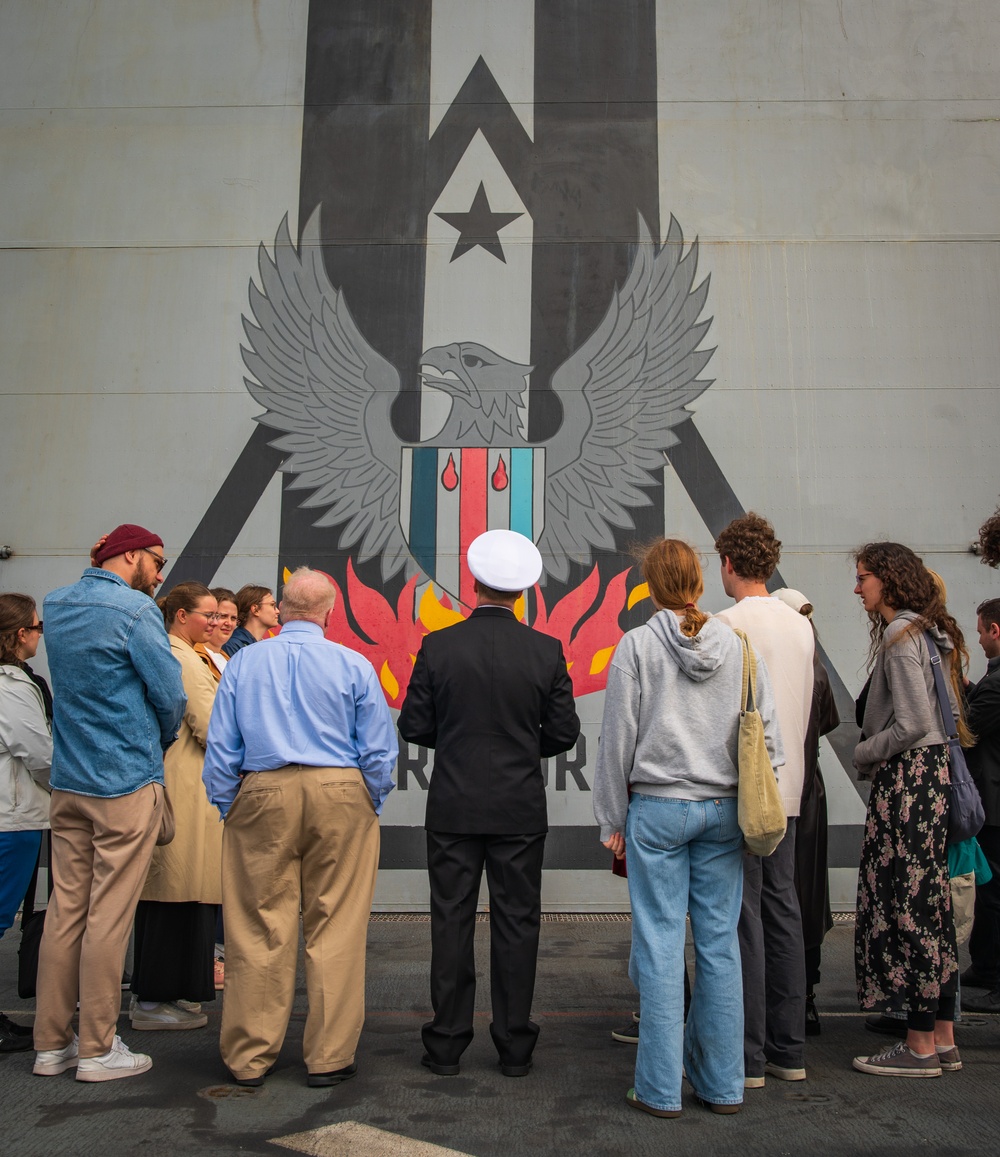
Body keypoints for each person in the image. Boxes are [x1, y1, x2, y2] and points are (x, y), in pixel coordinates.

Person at [594, 539, 782, 1117]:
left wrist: (612, 818)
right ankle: (723, 1085)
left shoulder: (637, 645)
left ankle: (657, 1088)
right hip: (724, 810)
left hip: (657, 809)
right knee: (720, 945)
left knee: (659, 944)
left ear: (651, 586)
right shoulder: (740, 645)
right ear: (700, 581)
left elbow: (616, 742)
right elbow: (766, 737)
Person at [203, 568, 397, 1088]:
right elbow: (379, 751)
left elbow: (222, 748)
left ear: (283, 610)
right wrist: (366, 799)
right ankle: (329, 1057)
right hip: (340, 791)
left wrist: (231, 805)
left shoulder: (244, 662)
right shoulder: (353, 663)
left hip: (263, 790)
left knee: (257, 928)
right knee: (337, 925)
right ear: (330, 614)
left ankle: (249, 1057)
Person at [398, 529, 580, 1078]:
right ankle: (514, 1046)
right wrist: (526, 746)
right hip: (519, 809)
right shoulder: (546, 651)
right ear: (522, 593)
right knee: (517, 925)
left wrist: (455, 743)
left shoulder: (439, 645)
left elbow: (413, 724)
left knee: (450, 923)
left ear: (472, 585)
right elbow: (565, 732)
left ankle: (447, 1045)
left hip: (453, 805)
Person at [32, 524, 185, 1083]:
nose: (162, 573)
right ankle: (98, 1049)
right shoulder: (135, 611)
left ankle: (52, 1045)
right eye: (157, 560)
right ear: (130, 556)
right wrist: (160, 740)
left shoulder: (58, 603)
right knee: (109, 918)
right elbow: (170, 695)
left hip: (70, 779)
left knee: (65, 914)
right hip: (124, 779)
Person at [851, 542, 967, 1077]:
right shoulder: (929, 630)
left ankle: (918, 1044)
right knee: (931, 905)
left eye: (864, 578)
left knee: (908, 907)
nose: (858, 589)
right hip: (934, 782)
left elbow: (913, 723)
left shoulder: (900, 636)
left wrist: (864, 751)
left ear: (888, 581)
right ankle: (942, 1035)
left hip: (908, 784)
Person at [713, 513, 814, 1086]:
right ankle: (788, 1050)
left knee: (742, 918)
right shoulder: (801, 625)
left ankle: (746, 1057)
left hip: (744, 792)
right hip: (790, 789)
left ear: (728, 564)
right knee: (783, 912)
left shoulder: (726, 624)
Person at [129, 582, 222, 1031]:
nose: (216, 621)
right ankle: (152, 1000)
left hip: (191, 785)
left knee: (185, 891)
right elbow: (208, 721)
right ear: (181, 615)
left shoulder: (192, 653)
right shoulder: (182, 656)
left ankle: (174, 992)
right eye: (207, 614)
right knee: (173, 891)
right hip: (185, 787)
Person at [772, 588, 840, 1035]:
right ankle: (806, 997)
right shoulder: (814, 670)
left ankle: (778, 998)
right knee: (807, 895)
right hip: (810, 790)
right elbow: (832, 721)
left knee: (774, 895)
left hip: (775, 788)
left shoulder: (776, 668)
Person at [0, 594, 52, 1053]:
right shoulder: (12, 687)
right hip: (12, 820)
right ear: (20, 634)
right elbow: (40, 755)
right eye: (38, 627)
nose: (41, 635)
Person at [959, 597, 1000, 1012]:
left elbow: (969, 729)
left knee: (994, 893)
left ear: (996, 631)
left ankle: (995, 976)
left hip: (994, 801)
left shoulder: (999, 681)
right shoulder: (993, 679)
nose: (980, 639)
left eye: (981, 631)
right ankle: (986, 967)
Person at [221, 584, 278, 657]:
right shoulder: (233, 645)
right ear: (255, 609)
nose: (277, 611)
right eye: (272, 605)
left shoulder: (263, 646)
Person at [197, 587, 237, 683]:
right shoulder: (196, 655)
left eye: (233, 618)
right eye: (223, 616)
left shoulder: (230, 660)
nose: (229, 623)